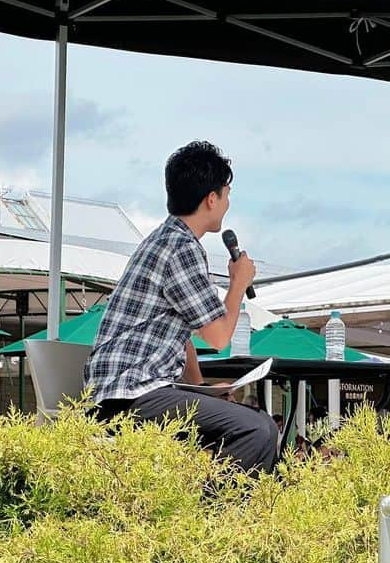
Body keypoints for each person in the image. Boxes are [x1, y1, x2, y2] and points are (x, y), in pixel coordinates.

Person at [84, 141, 278, 473]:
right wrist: (238, 284)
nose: (228, 203)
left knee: (245, 427)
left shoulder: (162, 238)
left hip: (122, 392)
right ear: (211, 199)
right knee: (256, 430)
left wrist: (200, 386)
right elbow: (218, 337)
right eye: (227, 194)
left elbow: (178, 331)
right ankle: (218, 516)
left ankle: (200, 506)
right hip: (130, 396)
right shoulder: (182, 247)